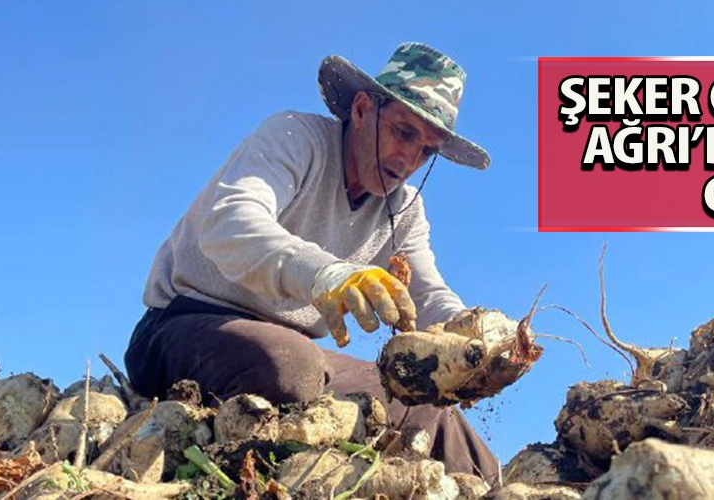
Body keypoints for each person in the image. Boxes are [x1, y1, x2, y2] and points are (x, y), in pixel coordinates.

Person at [124, 42, 507, 482]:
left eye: (427, 151)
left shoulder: (404, 209)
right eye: (404, 133)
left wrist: (478, 339)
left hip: (296, 349)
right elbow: (230, 220)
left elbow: (426, 291)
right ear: (363, 109)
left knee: (431, 414)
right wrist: (326, 273)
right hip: (184, 325)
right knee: (292, 368)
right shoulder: (295, 138)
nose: (409, 160)